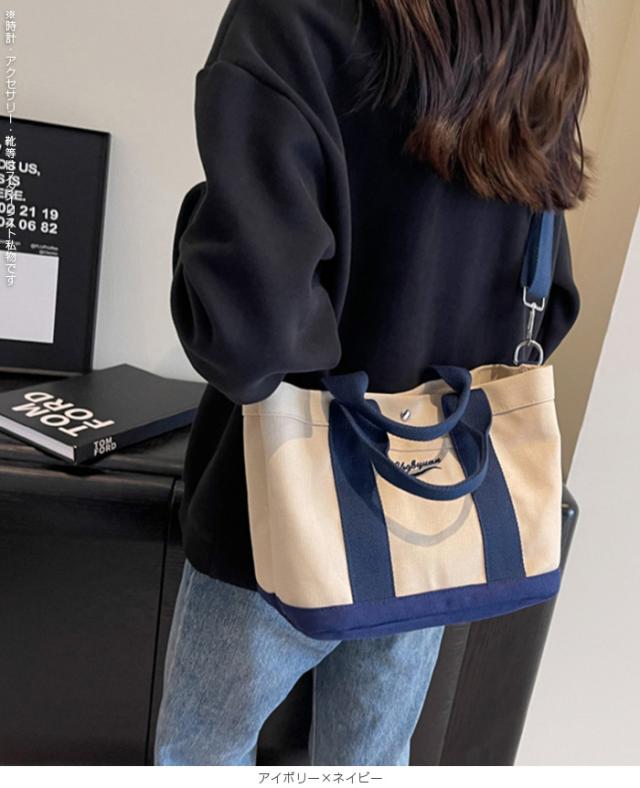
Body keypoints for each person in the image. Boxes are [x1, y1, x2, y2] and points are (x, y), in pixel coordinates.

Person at [155, 0, 588, 766]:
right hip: (436, 509)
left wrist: (202, 218)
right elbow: (546, 304)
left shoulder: (292, 17)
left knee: (202, 759)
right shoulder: (533, 26)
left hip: (277, 507)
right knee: (367, 763)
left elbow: (249, 342)